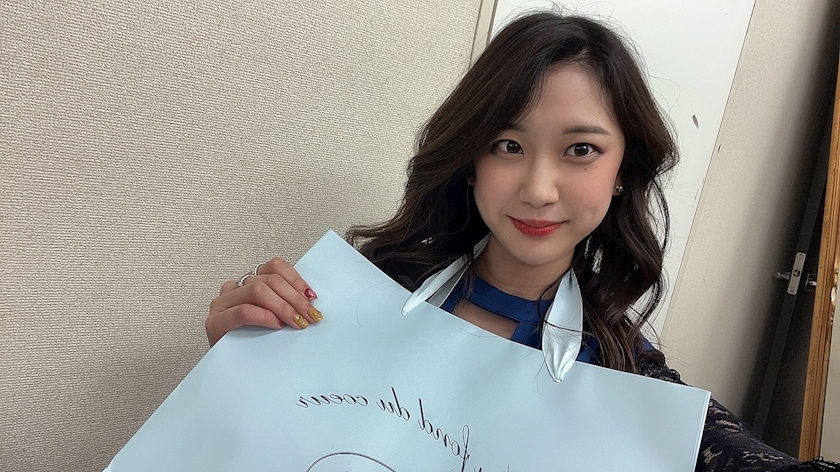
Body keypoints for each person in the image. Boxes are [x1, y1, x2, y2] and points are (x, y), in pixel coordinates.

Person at [205, 12, 838, 472]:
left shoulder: (623, 374)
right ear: (470, 160)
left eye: (581, 150)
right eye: (508, 145)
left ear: (623, 170)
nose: (537, 189)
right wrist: (242, 350)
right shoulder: (361, 294)